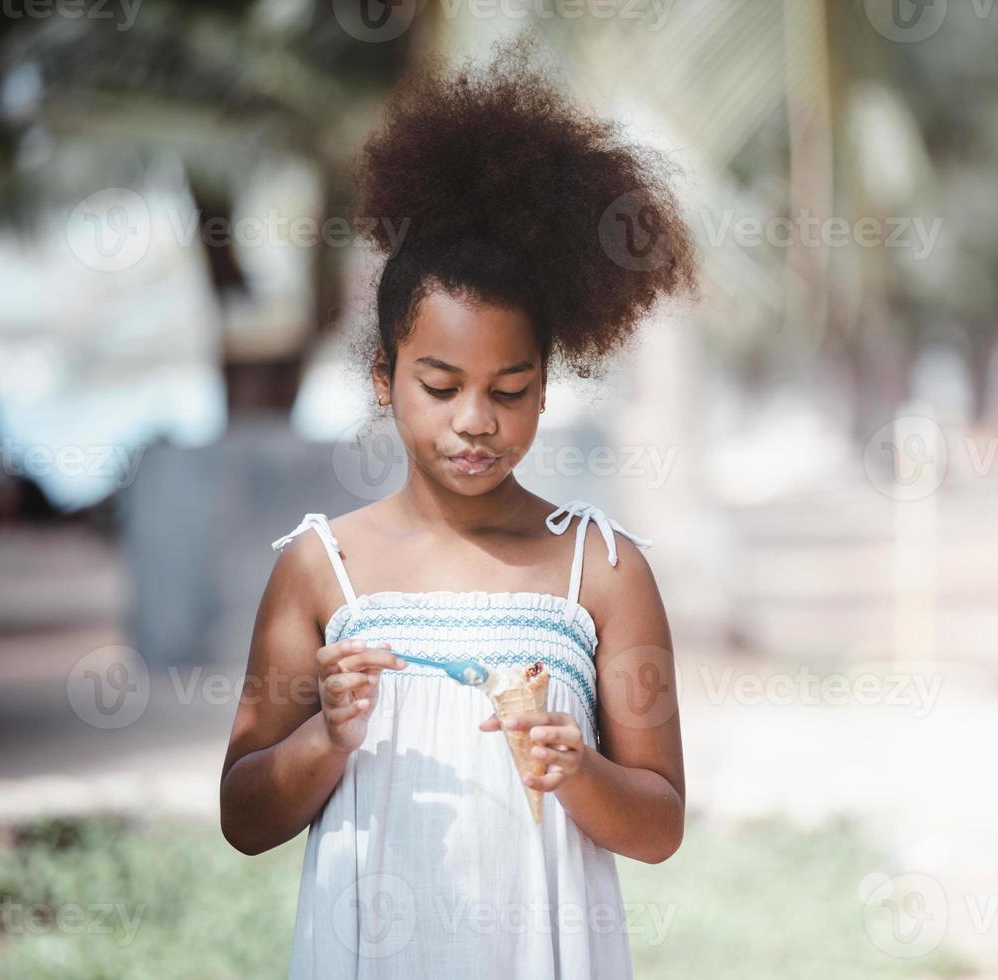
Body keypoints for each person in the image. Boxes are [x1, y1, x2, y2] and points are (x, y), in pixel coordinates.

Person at [219, 35, 695, 978]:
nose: (475, 421)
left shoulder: (599, 570)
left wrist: (580, 771)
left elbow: (660, 824)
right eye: (440, 385)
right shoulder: (322, 569)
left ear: (547, 389)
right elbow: (243, 815)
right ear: (384, 375)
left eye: (510, 389)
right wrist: (328, 736)